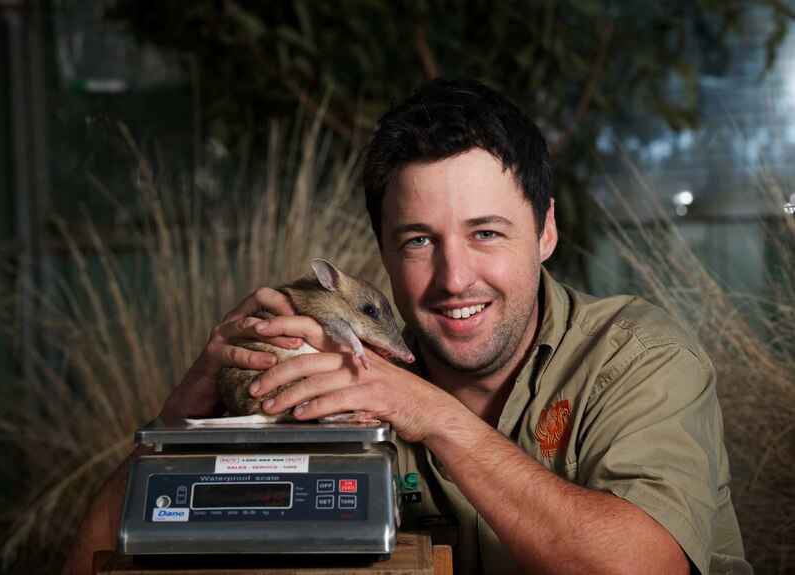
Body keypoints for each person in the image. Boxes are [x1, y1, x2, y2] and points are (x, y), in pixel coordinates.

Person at [63, 77, 750, 575]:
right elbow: (95, 559)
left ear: (545, 231)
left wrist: (436, 416)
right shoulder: (333, 379)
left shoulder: (637, 359)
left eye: (486, 232)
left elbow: (641, 566)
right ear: (385, 252)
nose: (454, 278)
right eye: (419, 240)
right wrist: (188, 407)